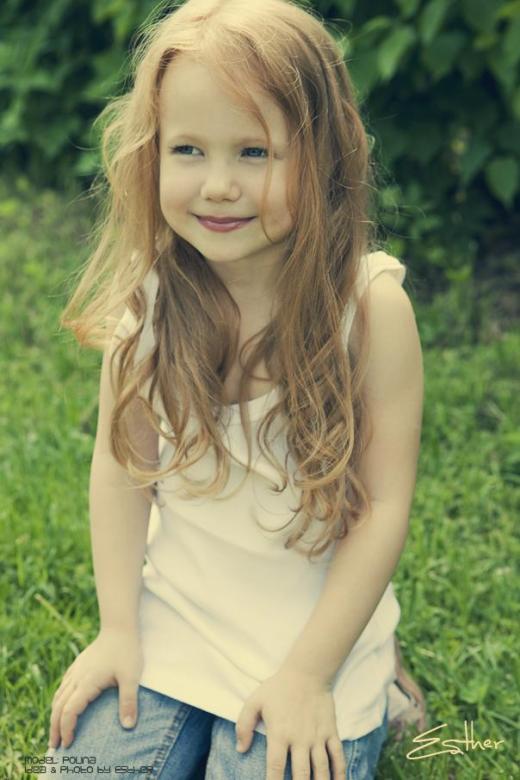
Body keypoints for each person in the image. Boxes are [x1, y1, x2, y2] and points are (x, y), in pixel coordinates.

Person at [43, 0, 426, 777]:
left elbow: (383, 507)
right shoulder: (152, 304)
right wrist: (119, 630)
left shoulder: (370, 312)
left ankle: (378, 678)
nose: (218, 185)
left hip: (312, 647)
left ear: (324, 157)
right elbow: (120, 469)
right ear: (151, 155)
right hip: (177, 624)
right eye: (188, 149)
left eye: (254, 152)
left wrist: (307, 677)